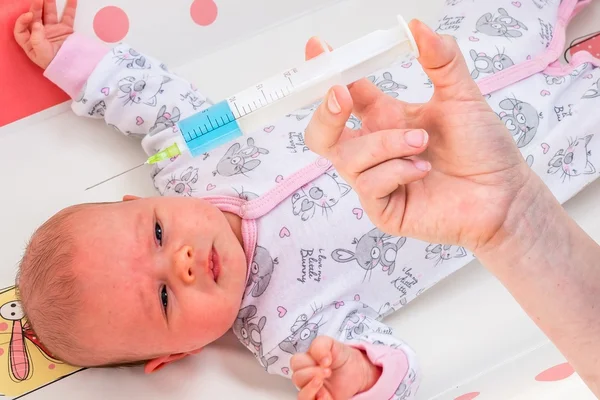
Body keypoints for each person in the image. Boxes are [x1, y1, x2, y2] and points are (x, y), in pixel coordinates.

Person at [11, 0, 600, 399]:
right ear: (177, 353)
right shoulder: (288, 330)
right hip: (534, 155)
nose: (183, 262)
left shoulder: (185, 155)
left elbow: (149, 98)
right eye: (163, 296)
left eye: (158, 235)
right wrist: (357, 376)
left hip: (448, 66)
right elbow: (395, 367)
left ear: (131, 201)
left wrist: (71, 60)